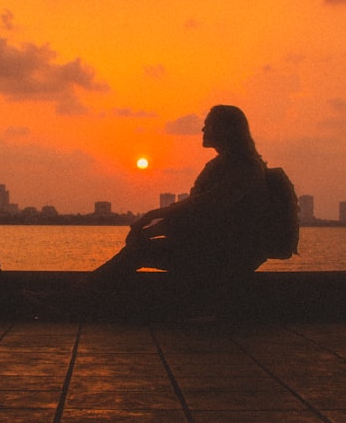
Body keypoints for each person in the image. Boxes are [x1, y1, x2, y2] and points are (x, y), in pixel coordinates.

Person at [84, 105, 270, 317]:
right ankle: (83, 295)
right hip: (209, 247)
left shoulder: (245, 167)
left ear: (225, 129)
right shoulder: (223, 165)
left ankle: (80, 297)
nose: (203, 129)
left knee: (137, 253)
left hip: (225, 254)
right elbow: (193, 212)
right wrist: (149, 230)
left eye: (208, 124)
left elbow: (208, 204)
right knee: (136, 251)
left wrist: (153, 216)